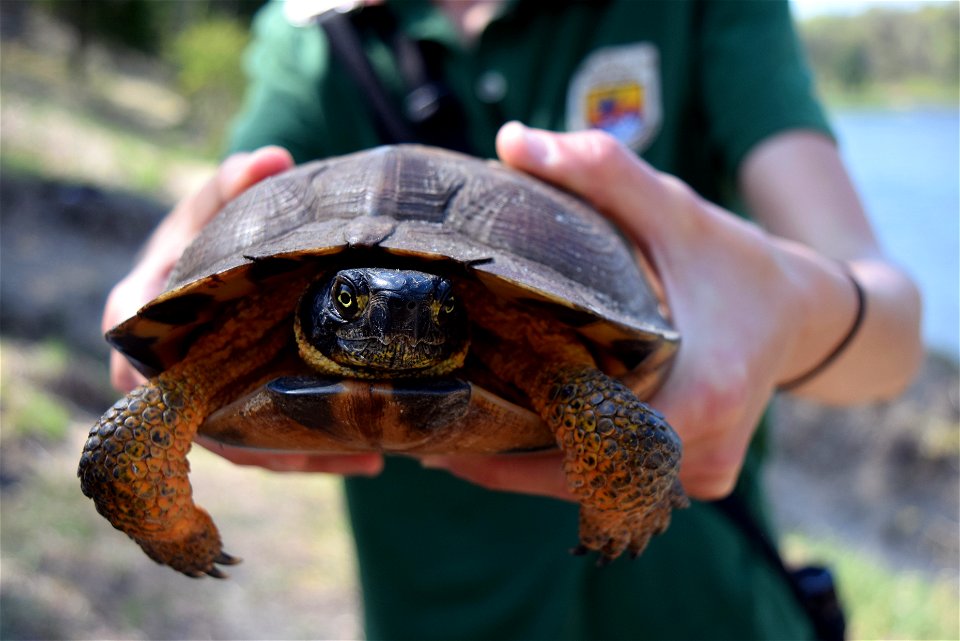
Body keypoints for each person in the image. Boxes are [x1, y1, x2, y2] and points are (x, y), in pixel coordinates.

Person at [102, 1, 923, 638]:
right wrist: (155, 284)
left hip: (699, 606)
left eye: (429, 308)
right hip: (444, 613)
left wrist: (800, 309)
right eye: (354, 302)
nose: (393, 315)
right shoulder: (317, 31)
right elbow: (213, 215)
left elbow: (894, 330)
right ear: (319, 304)